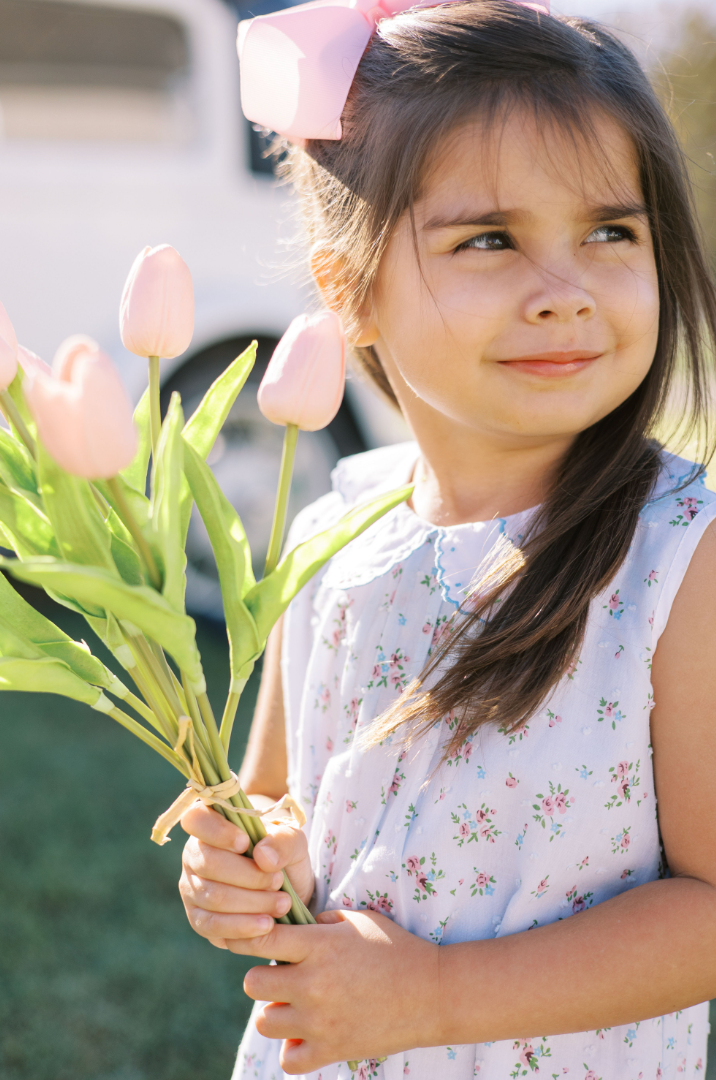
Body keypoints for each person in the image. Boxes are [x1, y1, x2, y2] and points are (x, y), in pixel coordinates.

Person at [178, 2, 716, 1077]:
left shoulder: (674, 560)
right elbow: (280, 801)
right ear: (348, 291)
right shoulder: (331, 534)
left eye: (609, 231)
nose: (562, 294)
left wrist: (435, 996)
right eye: (488, 239)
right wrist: (237, 870)